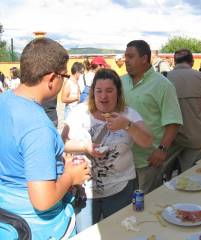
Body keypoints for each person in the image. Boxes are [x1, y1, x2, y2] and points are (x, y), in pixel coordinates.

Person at [0, 37, 90, 239]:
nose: (64, 80)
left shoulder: (4, 100)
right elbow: (42, 199)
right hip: (38, 228)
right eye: (64, 76)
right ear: (51, 79)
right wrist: (70, 176)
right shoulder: (38, 126)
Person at [62, 68, 153, 232]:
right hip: (85, 192)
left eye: (109, 91)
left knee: (119, 232)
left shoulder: (128, 114)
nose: (103, 96)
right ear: (92, 93)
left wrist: (127, 125)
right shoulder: (79, 112)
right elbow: (61, 143)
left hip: (120, 189)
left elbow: (147, 142)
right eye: (99, 91)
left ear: (118, 92)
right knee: (86, 234)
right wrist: (84, 147)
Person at [122, 40, 183, 193]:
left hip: (148, 161)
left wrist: (162, 149)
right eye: (125, 56)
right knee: (124, 209)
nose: (126, 60)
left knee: (144, 204)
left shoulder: (163, 85)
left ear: (144, 58)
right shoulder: (120, 82)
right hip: (123, 159)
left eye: (131, 56)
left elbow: (173, 122)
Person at [167, 49, 201, 172]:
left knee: (165, 180)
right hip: (196, 137)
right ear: (192, 62)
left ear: (175, 62)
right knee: (191, 178)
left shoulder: (164, 78)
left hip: (169, 138)